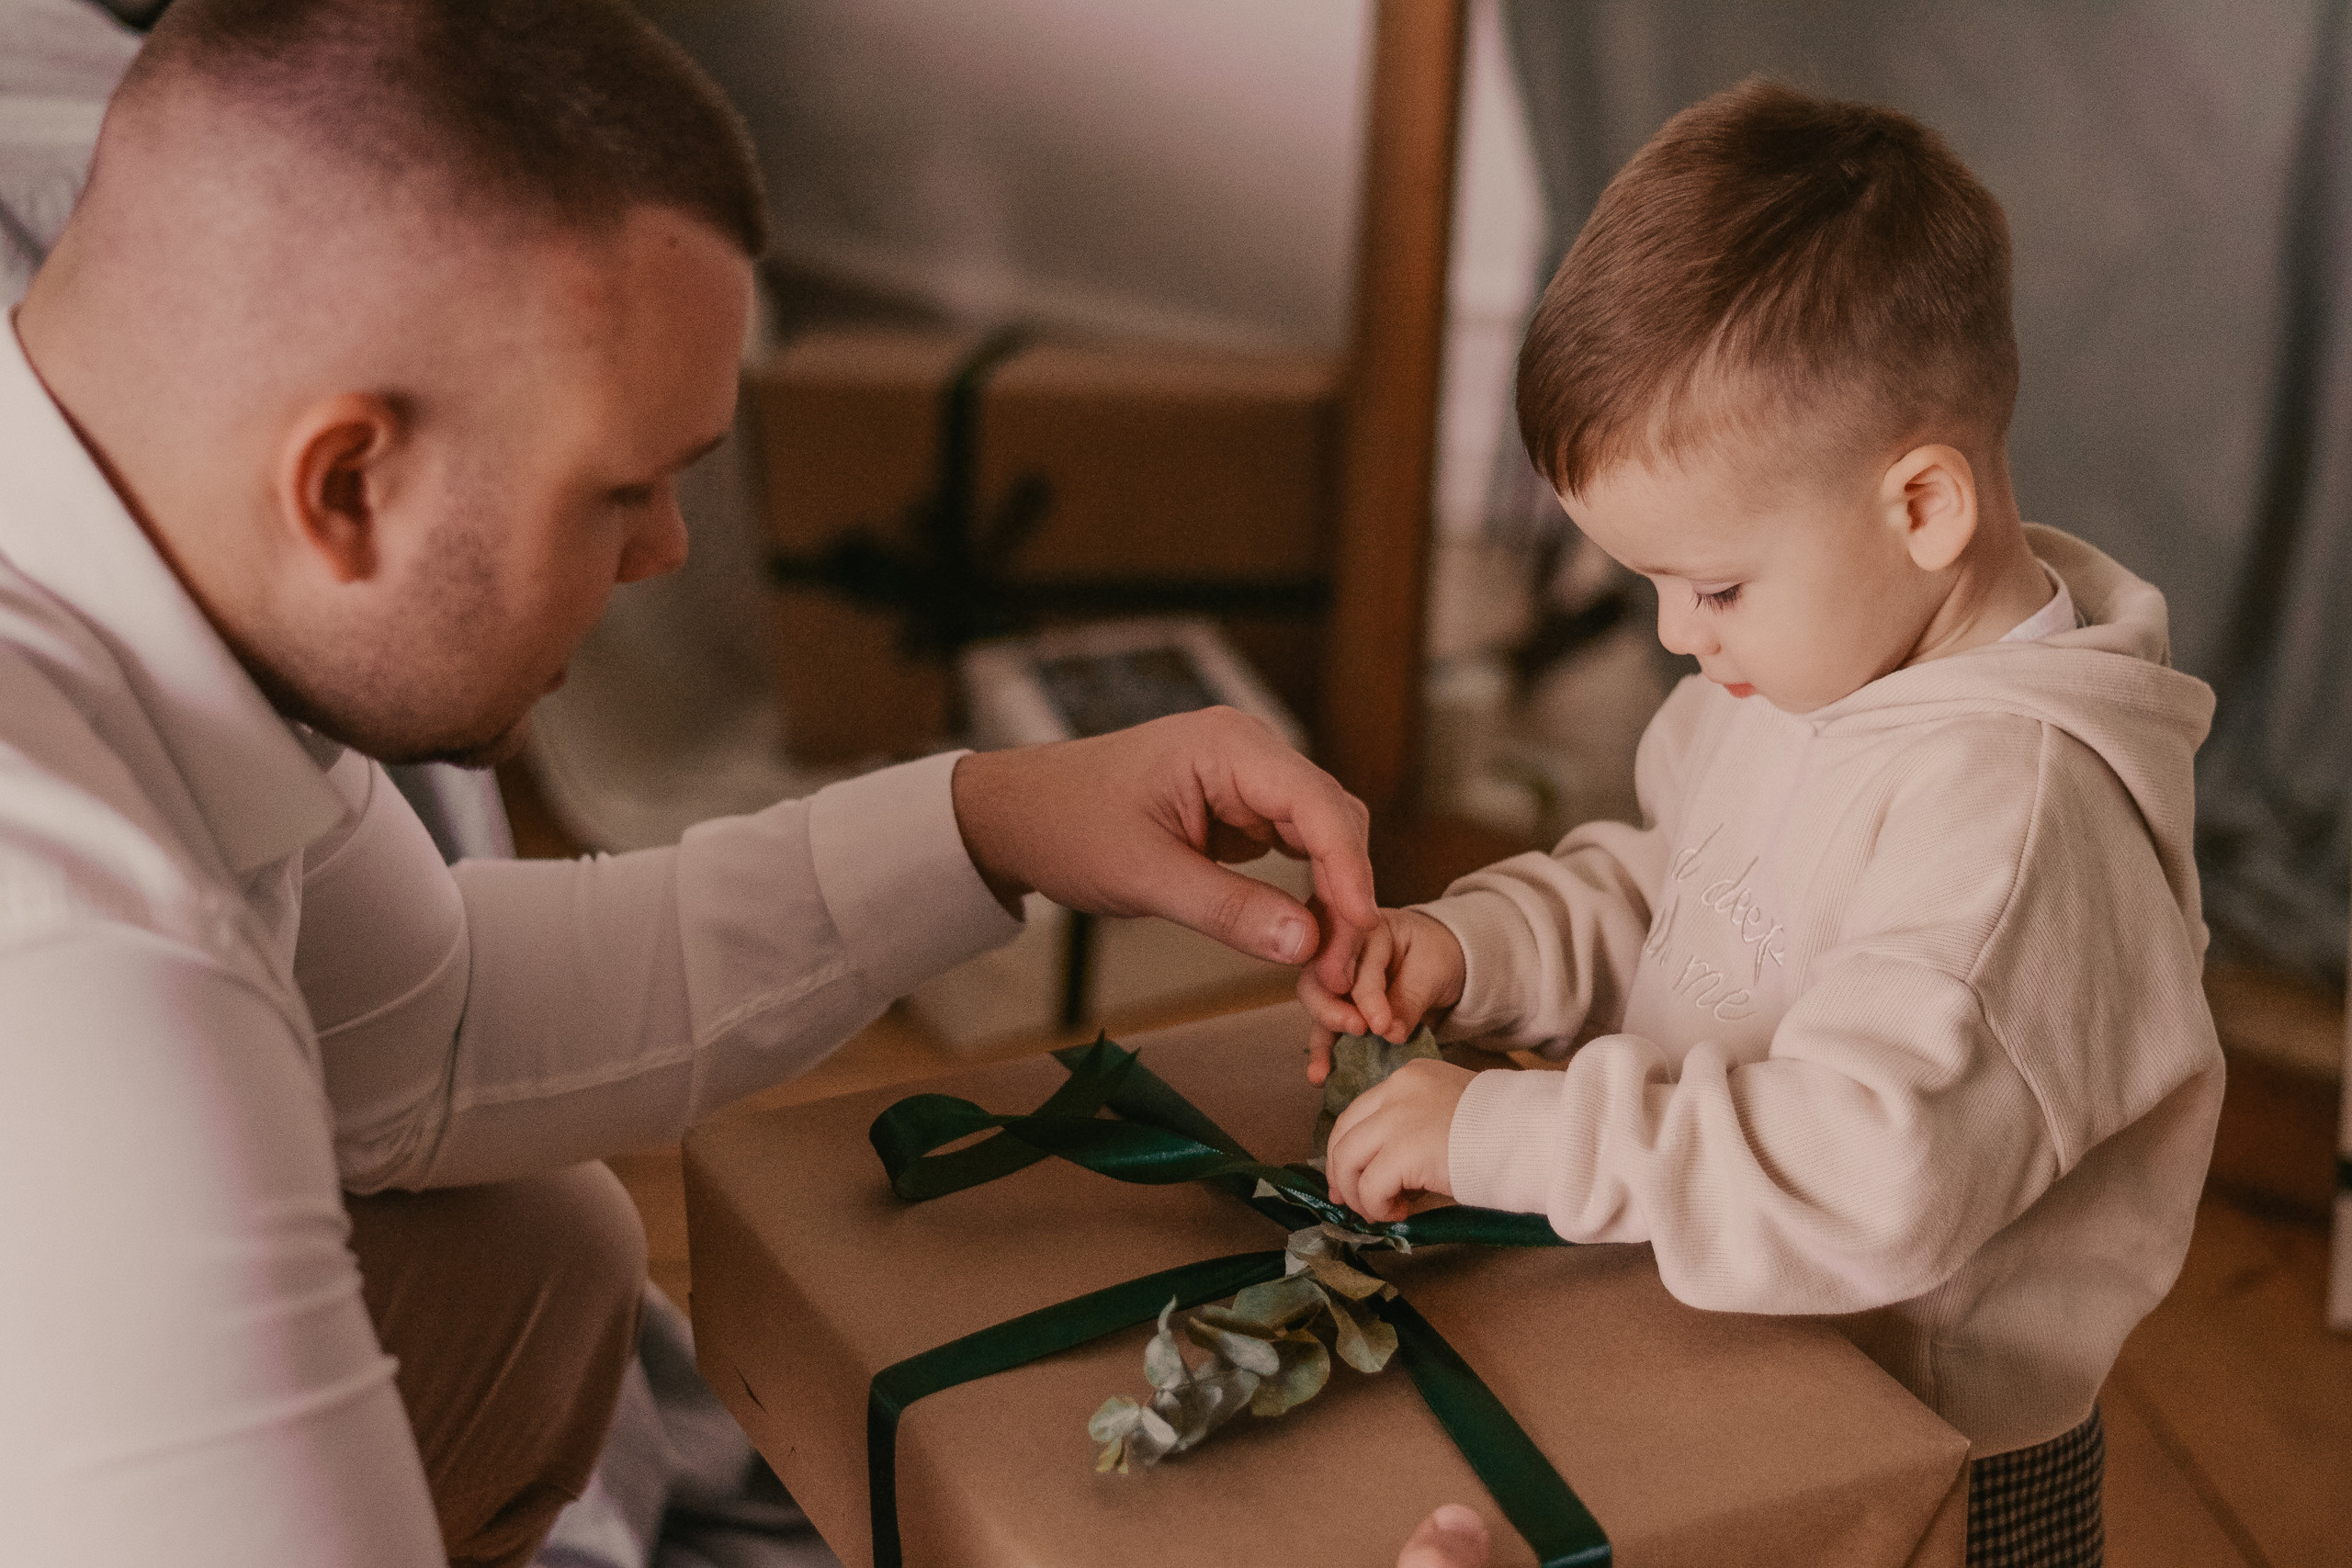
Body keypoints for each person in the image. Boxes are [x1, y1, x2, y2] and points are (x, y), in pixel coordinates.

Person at [0, 3, 1528, 1563]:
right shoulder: (79, 950)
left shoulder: (114, 545)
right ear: (342, 484)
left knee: (537, 1265)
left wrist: (996, 819)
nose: (666, 555)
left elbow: (433, 1039)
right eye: (620, 491)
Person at [1306, 80, 2223, 1568]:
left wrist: (1507, 1131)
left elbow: (1871, 1181)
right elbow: (1696, 895)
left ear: (1920, 504)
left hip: (1926, 1460)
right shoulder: (1809, 661)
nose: (1678, 636)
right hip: (1739, 1361)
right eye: (1652, 586)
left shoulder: (2017, 826)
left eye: (1714, 585)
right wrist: (1482, 949)